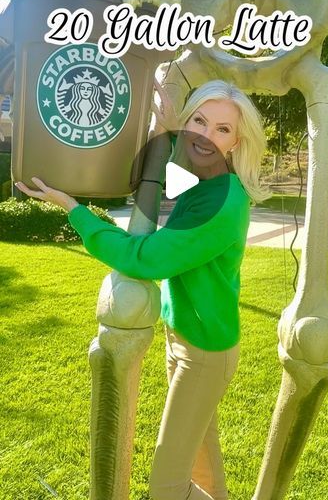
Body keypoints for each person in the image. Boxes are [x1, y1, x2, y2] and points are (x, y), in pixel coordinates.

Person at [16, 79, 269, 500]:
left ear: (237, 140)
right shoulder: (209, 182)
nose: (206, 136)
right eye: (199, 121)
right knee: (205, 468)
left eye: (222, 129)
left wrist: (75, 211)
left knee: (167, 488)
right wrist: (166, 132)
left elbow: (144, 258)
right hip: (186, 336)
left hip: (205, 352)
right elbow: (174, 182)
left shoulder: (224, 202)